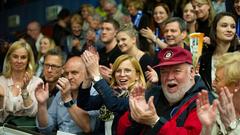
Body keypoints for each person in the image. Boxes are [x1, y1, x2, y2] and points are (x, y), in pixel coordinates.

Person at [116, 46, 214, 134]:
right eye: (164, 72)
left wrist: (156, 122)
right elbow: (120, 131)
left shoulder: (203, 100)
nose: (170, 77)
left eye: (176, 71)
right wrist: (133, 116)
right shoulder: (152, 94)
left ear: (192, 72)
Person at [80, 52, 146, 135]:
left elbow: (113, 104)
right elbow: (84, 103)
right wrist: (87, 78)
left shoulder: (140, 96)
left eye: (127, 70)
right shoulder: (115, 93)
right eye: (118, 71)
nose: (122, 74)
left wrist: (96, 75)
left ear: (137, 75)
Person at [35, 56, 99, 134]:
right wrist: (42, 104)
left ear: (87, 73)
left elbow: (88, 128)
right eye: (66, 73)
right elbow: (46, 128)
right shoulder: (60, 93)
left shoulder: (95, 93)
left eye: (74, 73)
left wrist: (67, 99)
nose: (69, 77)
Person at [0, 40, 43, 126]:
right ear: (9, 58)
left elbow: (33, 113)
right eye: (15, 56)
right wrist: (1, 98)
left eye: (23, 57)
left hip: (25, 130)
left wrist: (24, 90)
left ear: (28, 60)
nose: (19, 61)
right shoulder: (1, 80)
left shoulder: (37, 82)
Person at [197, 51, 240, 135]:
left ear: (236, 86)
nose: (212, 83)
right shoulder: (215, 109)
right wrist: (206, 129)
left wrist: (231, 127)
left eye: (217, 80)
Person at [199, 12, 240, 90]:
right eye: (224, 26)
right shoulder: (204, 58)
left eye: (233, 27)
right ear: (214, 29)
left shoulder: (238, 57)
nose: (229, 30)